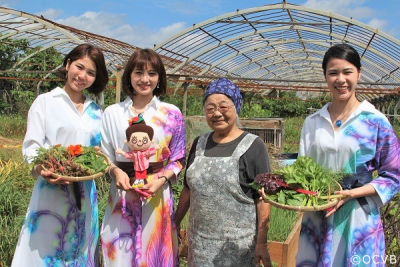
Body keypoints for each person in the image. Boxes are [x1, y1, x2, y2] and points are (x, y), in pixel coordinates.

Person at [296, 43, 400, 266]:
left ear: (359, 73)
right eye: (333, 73)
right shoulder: (312, 121)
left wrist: (351, 194)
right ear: (325, 77)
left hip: (357, 216)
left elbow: (394, 175)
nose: (340, 79)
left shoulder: (375, 121)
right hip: (317, 213)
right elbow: (302, 170)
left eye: (347, 72)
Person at [12, 44, 109, 266]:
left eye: (91, 73)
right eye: (79, 67)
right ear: (67, 65)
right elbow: (32, 145)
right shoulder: (46, 102)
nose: (82, 76)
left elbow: (99, 151)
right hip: (51, 189)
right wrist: (41, 169)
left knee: (80, 248)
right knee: (48, 247)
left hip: (84, 192)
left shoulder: (96, 111)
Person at [100, 48, 186, 266]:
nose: (145, 79)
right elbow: (104, 156)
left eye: (152, 73)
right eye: (138, 72)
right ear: (129, 75)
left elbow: (178, 158)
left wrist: (161, 180)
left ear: (159, 78)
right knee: (119, 252)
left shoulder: (171, 113)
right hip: (122, 194)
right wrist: (116, 171)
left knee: (155, 250)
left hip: (156, 194)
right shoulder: (113, 113)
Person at [175, 78, 272, 267]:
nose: (217, 113)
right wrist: (175, 222)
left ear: (236, 107)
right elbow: (188, 188)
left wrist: (261, 243)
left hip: (238, 249)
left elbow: (263, 199)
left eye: (223, 107)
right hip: (199, 246)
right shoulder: (199, 143)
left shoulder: (253, 145)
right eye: (210, 108)